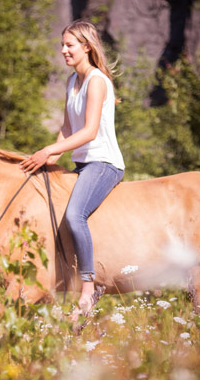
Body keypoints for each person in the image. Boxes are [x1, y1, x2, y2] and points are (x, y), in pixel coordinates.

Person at [20, 20, 125, 317]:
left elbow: (90, 131)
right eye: (62, 45)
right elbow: (67, 128)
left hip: (103, 163)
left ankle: (89, 291)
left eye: (70, 45)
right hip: (81, 164)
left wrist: (49, 151)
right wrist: (47, 159)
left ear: (86, 47)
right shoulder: (71, 82)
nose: (64, 50)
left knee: (74, 215)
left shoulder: (96, 80)